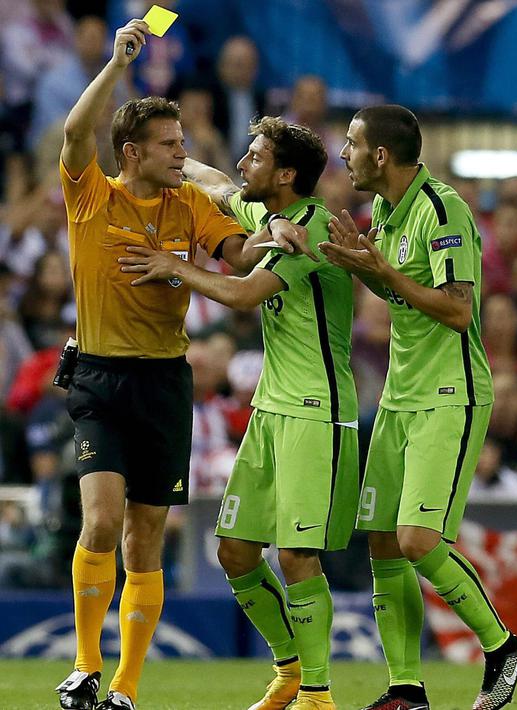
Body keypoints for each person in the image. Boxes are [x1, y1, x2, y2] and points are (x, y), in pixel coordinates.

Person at [52, 19, 311, 710]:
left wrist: (277, 233)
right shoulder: (92, 195)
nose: (182, 152)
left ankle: (126, 688)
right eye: (170, 145)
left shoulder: (190, 203)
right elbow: (77, 132)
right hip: (99, 378)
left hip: (166, 381)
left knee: (145, 536)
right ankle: (84, 664)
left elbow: (236, 258)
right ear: (132, 151)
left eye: (183, 143)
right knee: (102, 522)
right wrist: (115, 64)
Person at [119, 116, 358, 710]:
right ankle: (290, 669)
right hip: (272, 408)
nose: (244, 163)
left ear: (284, 174)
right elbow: (213, 179)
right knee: (236, 551)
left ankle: (319, 695)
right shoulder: (268, 211)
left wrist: (176, 265)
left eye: (255, 156)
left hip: (317, 410)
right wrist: (174, 153)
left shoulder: (315, 229)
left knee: (298, 554)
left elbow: (245, 293)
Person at [319, 104, 517, 710]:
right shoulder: (384, 210)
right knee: (382, 540)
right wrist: (368, 269)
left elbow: (458, 309)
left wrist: (381, 268)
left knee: (416, 538)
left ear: (381, 155)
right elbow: (401, 292)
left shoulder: (443, 209)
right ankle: (406, 689)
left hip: (449, 395)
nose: (346, 155)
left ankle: (502, 647)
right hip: (398, 396)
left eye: (353, 144)